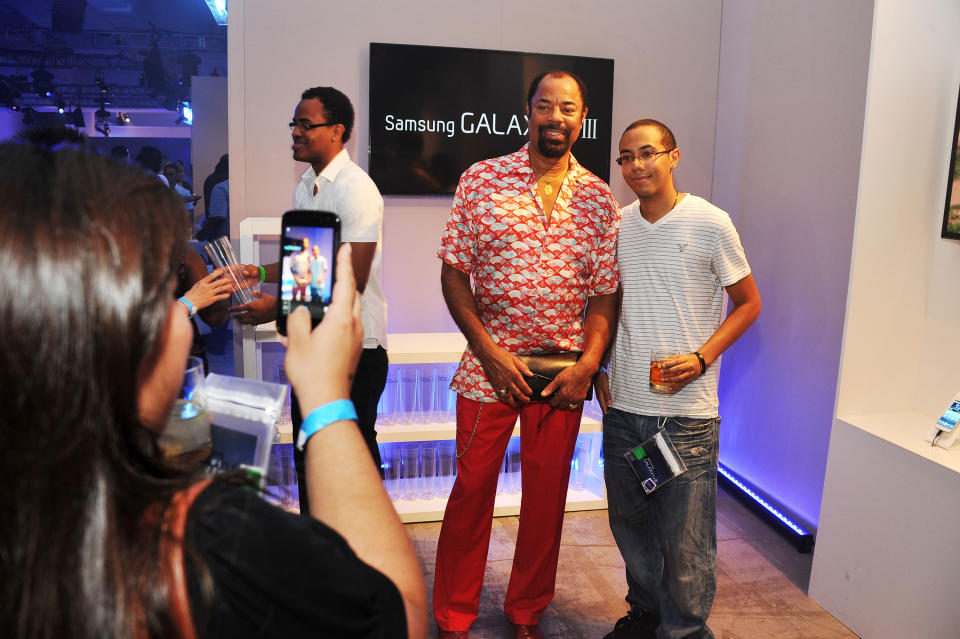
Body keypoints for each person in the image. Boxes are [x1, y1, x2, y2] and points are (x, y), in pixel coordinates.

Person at [0, 143, 427, 638]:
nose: (182, 311)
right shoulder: (209, 537)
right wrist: (325, 399)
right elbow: (401, 618)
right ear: (116, 333)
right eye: (166, 293)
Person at [434, 71, 620, 639]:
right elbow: (454, 273)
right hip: (489, 367)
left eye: (568, 108)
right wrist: (487, 350)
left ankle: (526, 611)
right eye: (546, 106)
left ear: (581, 117)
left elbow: (604, 294)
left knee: (546, 500)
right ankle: (454, 613)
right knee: (471, 493)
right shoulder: (482, 179)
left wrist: (589, 365)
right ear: (528, 111)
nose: (556, 118)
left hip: (562, 376)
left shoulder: (599, 200)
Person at [596, 119, 761, 639]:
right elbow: (606, 304)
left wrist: (702, 356)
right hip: (624, 407)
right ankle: (645, 615)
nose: (637, 165)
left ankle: (685, 630)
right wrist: (600, 367)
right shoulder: (617, 226)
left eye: (648, 153)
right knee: (631, 527)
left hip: (683, 416)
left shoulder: (710, 223)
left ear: (674, 156)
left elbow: (749, 303)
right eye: (626, 157)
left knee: (684, 539)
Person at [232, 86, 389, 509]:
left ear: (337, 131)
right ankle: (319, 553)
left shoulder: (358, 191)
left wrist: (275, 310)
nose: (296, 133)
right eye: (294, 124)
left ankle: (363, 561)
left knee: (349, 463)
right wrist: (261, 273)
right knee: (310, 457)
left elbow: (350, 279)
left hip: (356, 350)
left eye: (306, 124)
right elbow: (310, 265)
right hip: (316, 346)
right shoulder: (307, 187)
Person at [175, 246, 233, 373]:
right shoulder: (124, 260)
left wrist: (221, 283)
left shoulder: (185, 256)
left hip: (188, 357)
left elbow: (214, 318)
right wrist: (187, 303)